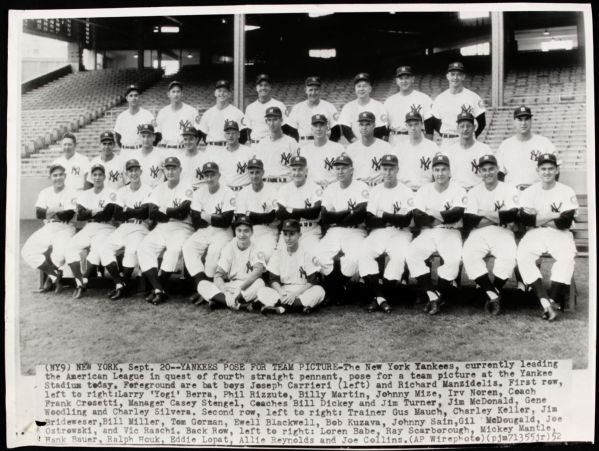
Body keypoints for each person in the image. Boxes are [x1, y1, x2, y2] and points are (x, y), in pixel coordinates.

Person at [516, 153, 578, 321]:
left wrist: (539, 218)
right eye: (543, 169)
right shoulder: (530, 192)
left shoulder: (566, 191)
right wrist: (554, 215)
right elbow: (525, 219)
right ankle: (545, 300)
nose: (547, 172)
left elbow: (565, 222)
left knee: (566, 257)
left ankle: (552, 299)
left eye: (551, 168)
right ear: (538, 171)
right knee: (523, 255)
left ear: (557, 170)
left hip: (560, 234)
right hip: (535, 233)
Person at [406, 154, 466, 315]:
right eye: (437, 169)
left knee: (453, 261)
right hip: (429, 232)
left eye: (444, 169)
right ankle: (433, 295)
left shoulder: (458, 190)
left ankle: (437, 294)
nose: (440, 173)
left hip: (451, 233)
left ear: (450, 172)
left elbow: (457, 214)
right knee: (412, 254)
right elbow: (418, 217)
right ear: (432, 172)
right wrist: (444, 217)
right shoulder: (424, 190)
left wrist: (432, 213)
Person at [462, 155, 519, 315]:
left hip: (503, 233)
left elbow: (512, 216)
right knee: (469, 254)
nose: (488, 173)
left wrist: (484, 213)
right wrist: (500, 217)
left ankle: (493, 290)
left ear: (497, 169)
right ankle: (493, 294)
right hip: (479, 232)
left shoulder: (509, 189)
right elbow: (471, 221)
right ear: (479, 172)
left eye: (491, 169)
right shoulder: (474, 192)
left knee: (508, 257)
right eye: (484, 170)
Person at [359, 154, 415, 313]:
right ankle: (382, 298)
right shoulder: (375, 190)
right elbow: (369, 219)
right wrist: (393, 219)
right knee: (364, 253)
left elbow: (406, 220)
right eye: (385, 168)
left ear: (398, 169)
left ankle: (378, 297)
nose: (388, 172)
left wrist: (382, 215)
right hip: (379, 232)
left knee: (398, 258)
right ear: (381, 170)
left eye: (391, 169)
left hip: (401, 233)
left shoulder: (406, 191)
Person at [137, 156, 194, 305]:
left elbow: (182, 211)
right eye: (168, 168)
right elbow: (152, 213)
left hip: (183, 226)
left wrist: (164, 210)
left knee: (174, 250)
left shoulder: (187, 186)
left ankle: (158, 289)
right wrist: (171, 211)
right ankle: (158, 289)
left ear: (180, 170)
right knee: (144, 247)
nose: (170, 171)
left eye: (174, 168)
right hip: (162, 226)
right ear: (164, 170)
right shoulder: (159, 188)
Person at [316, 154, 369, 303]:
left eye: (344, 168)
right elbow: (326, 217)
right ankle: (338, 290)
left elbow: (360, 215)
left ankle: (332, 289)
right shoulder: (331, 188)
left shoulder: (361, 187)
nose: (340, 171)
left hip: (356, 230)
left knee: (353, 259)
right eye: (337, 168)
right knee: (319, 255)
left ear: (351, 170)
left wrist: (337, 215)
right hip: (335, 230)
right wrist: (348, 212)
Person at [100, 159, 153, 300]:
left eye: (136, 170)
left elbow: (145, 213)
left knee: (131, 251)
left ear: (141, 171)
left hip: (140, 227)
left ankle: (122, 285)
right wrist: (135, 210)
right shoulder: (122, 190)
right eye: (130, 170)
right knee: (105, 248)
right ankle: (120, 283)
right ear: (126, 173)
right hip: (123, 226)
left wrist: (127, 210)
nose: (133, 173)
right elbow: (117, 214)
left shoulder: (148, 189)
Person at [183, 162, 236, 302]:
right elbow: (196, 220)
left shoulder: (227, 192)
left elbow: (227, 220)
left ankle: (209, 291)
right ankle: (202, 285)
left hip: (223, 231)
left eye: (212, 174)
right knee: (188, 247)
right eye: (206, 175)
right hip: (205, 230)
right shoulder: (199, 192)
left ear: (219, 175)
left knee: (214, 252)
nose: (210, 178)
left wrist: (208, 217)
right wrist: (215, 218)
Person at [64, 164, 119, 299]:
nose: (98, 177)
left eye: (100, 174)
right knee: (70, 247)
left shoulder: (111, 192)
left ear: (105, 177)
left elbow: (107, 215)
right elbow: (80, 216)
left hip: (106, 227)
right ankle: (79, 281)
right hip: (89, 227)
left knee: (97, 250)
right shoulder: (86, 194)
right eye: (95, 175)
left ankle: (84, 281)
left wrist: (89, 212)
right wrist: (94, 211)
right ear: (91, 177)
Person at [21, 164, 77, 293]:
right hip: (49, 226)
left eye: (60, 175)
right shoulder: (45, 192)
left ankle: (51, 279)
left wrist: (49, 210)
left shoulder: (71, 192)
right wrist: (58, 209)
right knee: (27, 251)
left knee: (59, 254)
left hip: (65, 227)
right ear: (50, 177)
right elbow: (39, 214)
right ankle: (54, 276)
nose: (58, 178)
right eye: (55, 175)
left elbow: (67, 215)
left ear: (65, 176)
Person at [196, 215, 266, 310]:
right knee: (202, 284)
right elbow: (218, 276)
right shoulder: (229, 247)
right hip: (231, 285)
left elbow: (258, 271)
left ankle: (221, 301)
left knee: (260, 283)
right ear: (235, 231)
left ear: (252, 232)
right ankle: (238, 305)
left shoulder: (257, 247)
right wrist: (226, 292)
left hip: (247, 286)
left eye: (246, 231)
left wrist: (240, 288)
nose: (242, 234)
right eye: (239, 230)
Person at [257, 219, 326, 314]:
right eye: (285, 234)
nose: (288, 238)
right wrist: (281, 292)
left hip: (302, 291)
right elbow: (273, 280)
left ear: (299, 235)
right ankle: (299, 307)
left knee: (319, 291)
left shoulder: (307, 253)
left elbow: (312, 281)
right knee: (261, 291)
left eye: (292, 234)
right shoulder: (278, 253)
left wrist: (295, 294)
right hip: (284, 290)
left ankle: (281, 308)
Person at [496, 105, 558, 190]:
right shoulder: (505, 145)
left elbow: (555, 170)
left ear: (531, 121)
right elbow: (500, 173)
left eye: (526, 119)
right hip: (512, 193)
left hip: (537, 192)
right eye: (520, 119)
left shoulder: (544, 143)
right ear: (514, 121)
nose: (523, 123)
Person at [431, 62, 486, 148]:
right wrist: (446, 133)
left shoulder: (474, 97)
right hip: (447, 141)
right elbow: (435, 121)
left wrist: (471, 135)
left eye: (459, 75)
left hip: (467, 140)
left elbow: (482, 122)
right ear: (447, 76)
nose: (455, 78)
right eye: (452, 74)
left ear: (463, 77)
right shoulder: (440, 98)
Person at [234, 158, 279, 262]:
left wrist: (250, 214)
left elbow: (272, 217)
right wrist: (263, 217)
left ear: (263, 172)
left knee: (266, 255)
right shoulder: (243, 193)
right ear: (248, 174)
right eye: (252, 172)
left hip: (268, 231)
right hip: (248, 231)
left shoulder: (272, 190)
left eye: (257, 172)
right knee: (241, 256)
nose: (254, 176)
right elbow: (240, 219)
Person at [275, 155, 323, 249]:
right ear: (290, 171)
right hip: (289, 231)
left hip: (310, 231)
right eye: (294, 169)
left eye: (300, 169)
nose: (297, 173)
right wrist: (305, 212)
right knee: (281, 259)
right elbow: (280, 214)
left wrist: (290, 210)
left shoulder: (316, 188)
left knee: (313, 258)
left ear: (306, 170)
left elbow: (315, 212)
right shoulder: (284, 189)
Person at [384, 65, 435, 146]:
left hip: (417, 139)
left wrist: (427, 146)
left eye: (407, 77)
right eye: (401, 78)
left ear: (413, 79)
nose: (404, 81)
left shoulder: (424, 98)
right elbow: (385, 128)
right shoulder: (389, 101)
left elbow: (429, 127)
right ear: (396, 81)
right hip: (395, 139)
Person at [443, 111, 493, 190]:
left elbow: (491, 175)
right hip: (457, 193)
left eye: (468, 126)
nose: (465, 129)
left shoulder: (484, 149)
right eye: (462, 126)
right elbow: (445, 177)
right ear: (457, 128)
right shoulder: (449, 151)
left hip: (477, 191)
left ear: (474, 127)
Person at [252, 106, 300, 187]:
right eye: (269, 120)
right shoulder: (262, 143)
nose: (272, 123)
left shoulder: (291, 142)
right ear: (266, 121)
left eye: (275, 119)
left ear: (281, 120)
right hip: (266, 185)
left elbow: (297, 168)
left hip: (285, 185)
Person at [334, 72, 387, 142]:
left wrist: (371, 144)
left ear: (370, 89)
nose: (361, 89)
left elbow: (381, 128)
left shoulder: (379, 106)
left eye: (364, 86)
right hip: (355, 145)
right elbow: (345, 128)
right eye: (358, 86)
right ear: (355, 89)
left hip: (375, 145)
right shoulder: (348, 107)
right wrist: (356, 143)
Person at [345, 111, 394, 187]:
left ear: (374, 125)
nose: (364, 128)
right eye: (361, 125)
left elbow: (392, 171)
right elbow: (347, 173)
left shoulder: (385, 147)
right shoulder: (351, 149)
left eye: (368, 124)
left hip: (377, 187)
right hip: (358, 187)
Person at [286, 76, 338, 145]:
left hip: (323, 143)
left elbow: (336, 130)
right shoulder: (297, 108)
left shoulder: (329, 107)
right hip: (303, 144)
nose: (313, 93)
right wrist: (297, 145)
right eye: (310, 90)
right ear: (305, 90)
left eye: (316, 90)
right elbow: (292, 131)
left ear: (320, 90)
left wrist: (330, 145)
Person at [396, 110, 439, 191]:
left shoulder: (432, 147)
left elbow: (438, 173)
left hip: (425, 190)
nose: (413, 128)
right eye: (410, 125)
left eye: (416, 124)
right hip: (404, 191)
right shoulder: (399, 148)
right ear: (406, 126)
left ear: (422, 125)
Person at [299, 114, 345, 188]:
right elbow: (301, 175)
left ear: (327, 128)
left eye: (321, 125)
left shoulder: (338, 148)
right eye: (315, 126)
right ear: (311, 129)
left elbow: (345, 173)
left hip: (333, 189)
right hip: (312, 191)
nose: (318, 129)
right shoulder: (304, 150)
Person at [207, 120, 253, 192]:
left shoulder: (248, 152)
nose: (230, 136)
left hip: (244, 191)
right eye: (228, 133)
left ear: (238, 134)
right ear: (224, 135)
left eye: (233, 133)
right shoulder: (217, 154)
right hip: (226, 193)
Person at [198, 80, 247, 147]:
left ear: (229, 94)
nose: (222, 93)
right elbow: (203, 134)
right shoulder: (207, 114)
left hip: (229, 148)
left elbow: (243, 135)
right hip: (212, 149)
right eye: (219, 91)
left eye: (225, 91)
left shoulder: (238, 113)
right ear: (215, 93)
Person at [244, 74, 288, 144]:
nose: (263, 88)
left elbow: (285, 128)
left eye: (266, 85)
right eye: (260, 85)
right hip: (255, 144)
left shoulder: (280, 105)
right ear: (256, 88)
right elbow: (247, 129)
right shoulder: (250, 108)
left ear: (270, 87)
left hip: (273, 144)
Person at [155, 80, 200, 149]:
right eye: (173, 91)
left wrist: (191, 147)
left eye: (178, 91)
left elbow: (198, 132)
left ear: (182, 94)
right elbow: (158, 133)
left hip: (184, 149)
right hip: (166, 150)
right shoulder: (162, 112)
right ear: (168, 94)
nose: (176, 94)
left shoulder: (192, 111)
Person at [114, 84, 154, 150]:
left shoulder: (147, 115)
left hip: (141, 150)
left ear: (139, 97)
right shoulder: (121, 117)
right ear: (127, 98)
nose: (133, 98)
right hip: (125, 150)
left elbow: (156, 135)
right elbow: (118, 138)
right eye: (131, 96)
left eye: (136, 95)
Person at [131, 124, 165, 188]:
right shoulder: (134, 155)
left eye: (149, 136)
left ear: (154, 137)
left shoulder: (162, 154)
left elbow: (167, 176)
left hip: (156, 192)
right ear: (139, 137)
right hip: (140, 192)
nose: (146, 139)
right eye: (143, 136)